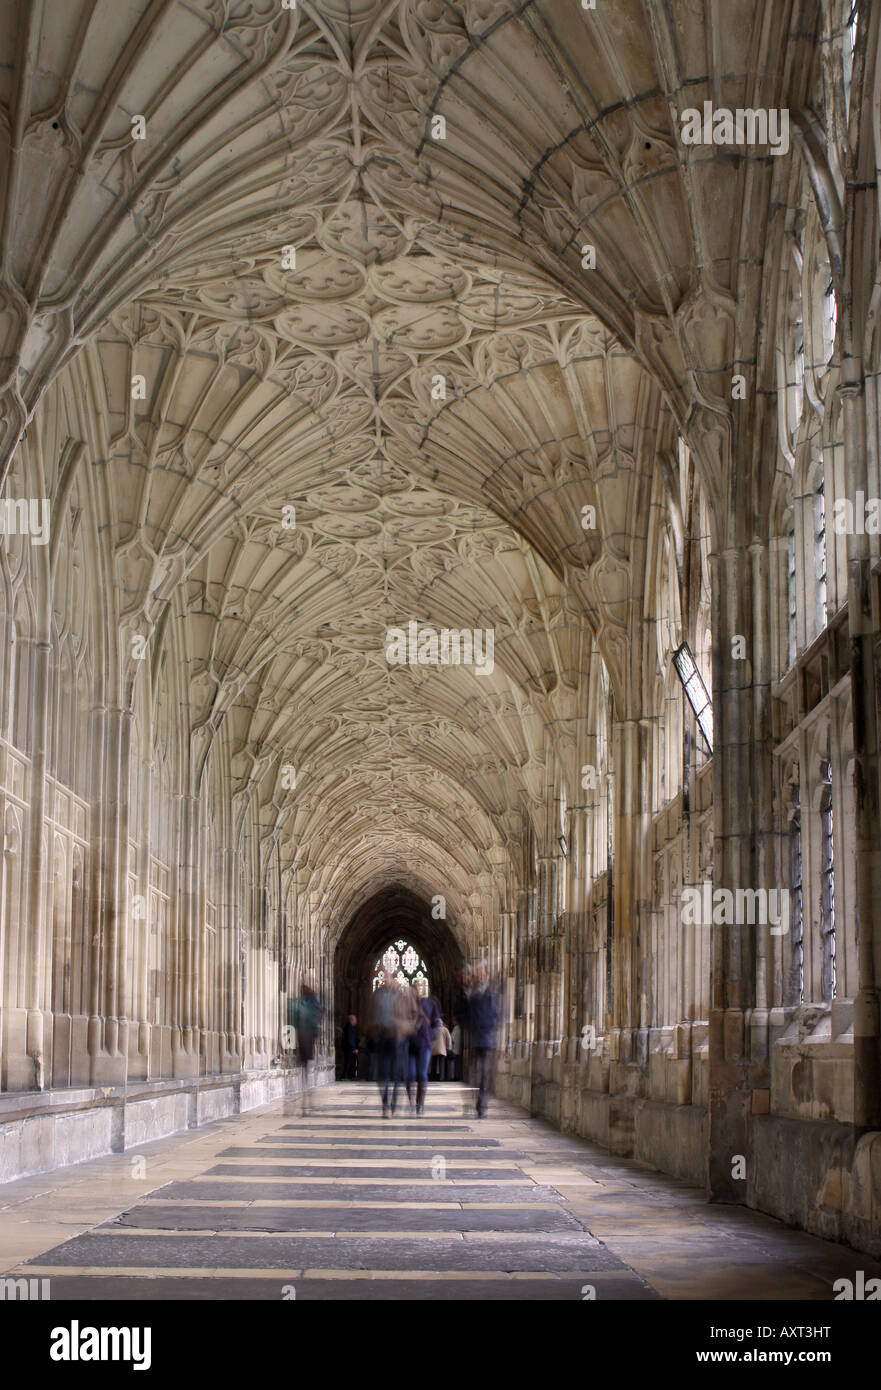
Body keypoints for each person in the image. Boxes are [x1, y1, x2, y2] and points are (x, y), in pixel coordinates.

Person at [464, 962, 498, 1118]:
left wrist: (488, 1028)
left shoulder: (491, 992)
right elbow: (468, 1014)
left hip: (486, 1038)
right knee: (473, 1073)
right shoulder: (473, 993)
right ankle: (473, 1101)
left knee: (484, 1073)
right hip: (475, 1038)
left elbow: (495, 1015)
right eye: (476, 971)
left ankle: (481, 1104)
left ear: (485, 971)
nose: (478, 974)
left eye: (480, 971)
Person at [287, 972, 323, 1113]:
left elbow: (316, 1014)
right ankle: (307, 1098)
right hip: (303, 1037)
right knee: (306, 1069)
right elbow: (295, 1019)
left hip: (306, 1037)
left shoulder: (309, 1000)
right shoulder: (305, 1000)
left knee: (306, 1069)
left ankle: (307, 1098)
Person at [371, 968, 400, 1116]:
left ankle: (393, 1101)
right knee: (383, 1073)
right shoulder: (378, 995)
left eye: (389, 976)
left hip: (396, 1036)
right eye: (385, 976)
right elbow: (373, 1012)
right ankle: (385, 1103)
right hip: (382, 1035)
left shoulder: (400, 994)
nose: (387, 979)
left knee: (396, 1073)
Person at [431, 1017, 451, 1081]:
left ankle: (432, 1077)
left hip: (434, 1049)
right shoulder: (445, 1029)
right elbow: (449, 1039)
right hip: (442, 1049)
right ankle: (441, 1078)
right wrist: (448, 1048)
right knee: (441, 1064)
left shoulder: (433, 1030)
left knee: (433, 1064)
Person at [342, 1014, 359, 1080]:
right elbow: (350, 1039)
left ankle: (349, 1076)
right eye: (355, 1020)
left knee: (350, 1062)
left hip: (348, 1048)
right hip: (349, 1048)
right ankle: (346, 1076)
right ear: (352, 1020)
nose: (356, 1021)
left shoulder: (349, 1027)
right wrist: (354, 1048)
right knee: (349, 1062)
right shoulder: (349, 1027)